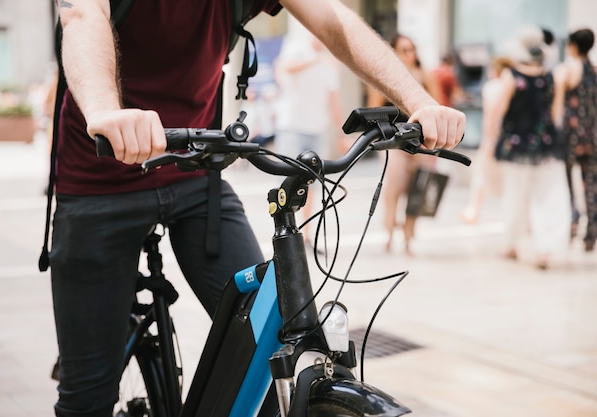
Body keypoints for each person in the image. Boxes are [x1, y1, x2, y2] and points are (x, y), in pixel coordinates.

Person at [50, 1, 466, 416]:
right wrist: (105, 109)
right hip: (98, 182)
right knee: (87, 396)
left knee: (267, 352)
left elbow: (332, 19)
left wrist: (417, 101)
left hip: (197, 177)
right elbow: (82, 15)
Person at [489, 25, 570, 269]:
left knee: (514, 195)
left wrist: (492, 140)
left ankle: (511, 244)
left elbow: (499, 110)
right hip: (546, 144)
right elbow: (556, 113)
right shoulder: (552, 77)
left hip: (516, 144)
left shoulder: (511, 76)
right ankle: (545, 249)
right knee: (548, 196)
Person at [367, 33, 443, 256]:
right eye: (404, 50)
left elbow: (437, 106)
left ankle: (409, 236)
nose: (410, 54)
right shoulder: (384, 78)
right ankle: (389, 233)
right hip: (394, 142)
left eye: (412, 49)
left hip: (421, 142)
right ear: (395, 53)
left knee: (417, 188)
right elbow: (374, 110)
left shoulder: (425, 76)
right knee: (394, 186)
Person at [273, 28, 345, 240]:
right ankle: (282, 230)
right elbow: (286, 67)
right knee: (286, 180)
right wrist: (317, 60)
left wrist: (342, 135)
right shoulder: (296, 47)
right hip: (291, 126)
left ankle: (306, 234)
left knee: (311, 183)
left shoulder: (329, 64)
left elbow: (334, 102)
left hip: (317, 129)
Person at [552, 28, 597, 252]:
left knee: (568, 183)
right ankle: (591, 234)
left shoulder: (566, 70)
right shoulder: (595, 70)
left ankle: (572, 224)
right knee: (591, 185)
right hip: (593, 135)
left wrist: (554, 130)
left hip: (571, 135)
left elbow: (558, 105)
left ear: (572, 46)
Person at [460, 56, 513, 224]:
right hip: (509, 138)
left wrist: (488, 139)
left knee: (481, 174)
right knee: (508, 178)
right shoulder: (511, 85)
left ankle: (473, 210)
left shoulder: (492, 87)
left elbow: (490, 114)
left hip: (493, 137)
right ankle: (510, 216)